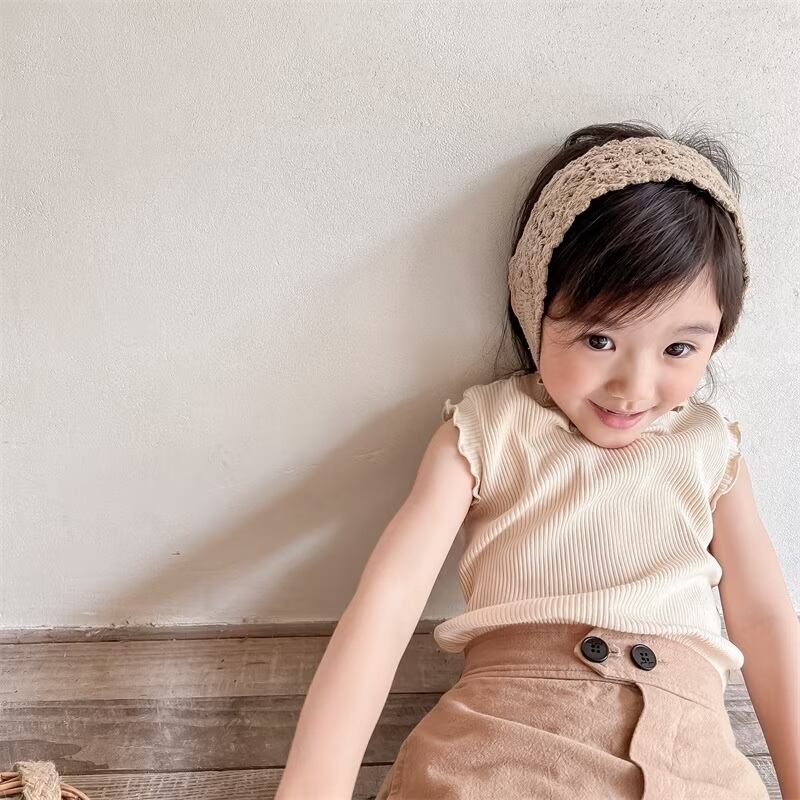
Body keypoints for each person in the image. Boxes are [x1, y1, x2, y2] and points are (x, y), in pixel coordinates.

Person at [275, 121, 799, 800]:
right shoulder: (485, 430)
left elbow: (764, 618)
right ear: (536, 309)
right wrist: (313, 787)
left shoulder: (710, 448)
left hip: (692, 759)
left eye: (679, 349)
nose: (634, 387)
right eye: (600, 338)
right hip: (503, 747)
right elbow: (389, 601)